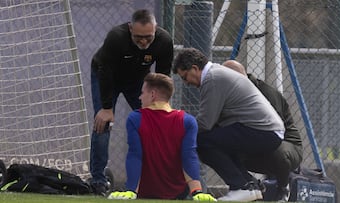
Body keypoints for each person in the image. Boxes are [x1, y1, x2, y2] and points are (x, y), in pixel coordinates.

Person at [172, 48, 285, 202]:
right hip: (266, 131)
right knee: (219, 141)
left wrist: (175, 130)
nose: (186, 83)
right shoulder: (216, 74)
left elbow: (205, 123)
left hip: (263, 131)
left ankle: (241, 187)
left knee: (202, 141)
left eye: (185, 77)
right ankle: (250, 186)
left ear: (194, 68)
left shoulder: (212, 78)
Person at [90, 9, 173, 195]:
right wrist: (106, 108)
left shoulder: (164, 41)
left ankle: (154, 178)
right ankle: (98, 181)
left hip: (137, 81)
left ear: (156, 30)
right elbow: (105, 72)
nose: (143, 41)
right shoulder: (116, 38)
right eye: (138, 37)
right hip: (106, 77)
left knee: (154, 123)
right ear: (130, 28)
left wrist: (160, 106)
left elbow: (162, 78)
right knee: (102, 124)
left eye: (148, 37)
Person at [107, 73, 216, 201]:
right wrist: (197, 192)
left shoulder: (136, 119)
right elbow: (189, 156)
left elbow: (135, 155)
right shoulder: (187, 121)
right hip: (178, 192)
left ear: (152, 94)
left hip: (144, 191)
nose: (140, 97)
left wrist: (131, 190)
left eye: (142, 93)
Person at [222, 60, 303, 201]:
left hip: (284, 143)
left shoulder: (266, 93)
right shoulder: (228, 95)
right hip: (252, 142)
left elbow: (274, 131)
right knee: (219, 146)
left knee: (278, 151)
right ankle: (249, 185)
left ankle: (283, 187)